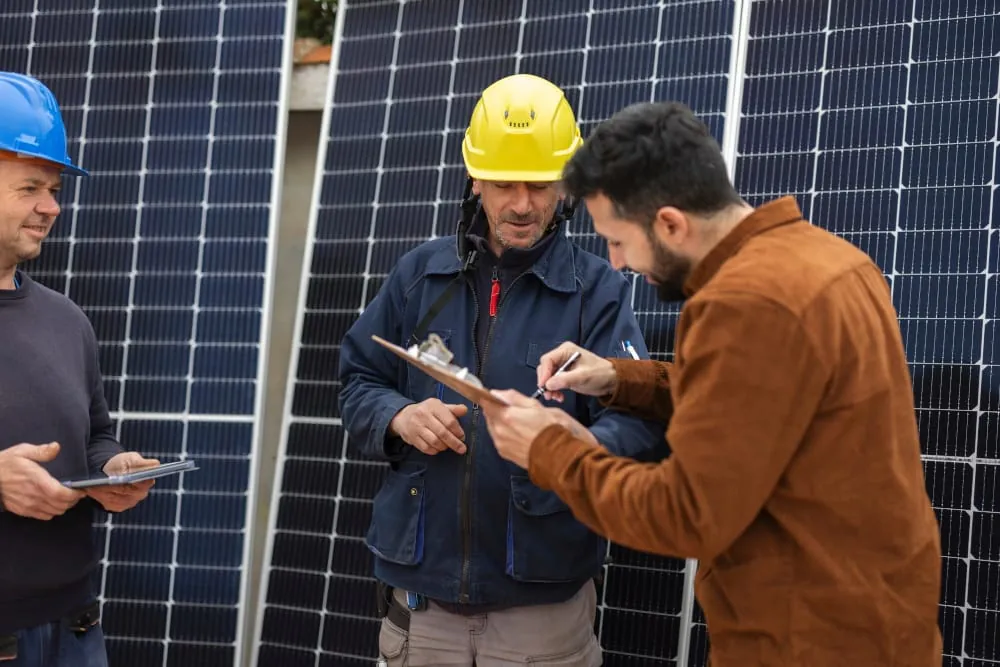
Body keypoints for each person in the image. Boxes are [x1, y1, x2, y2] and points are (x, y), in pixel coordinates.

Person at [481, 101, 943, 667]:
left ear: (671, 222)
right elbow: (762, 403)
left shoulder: (744, 304)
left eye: (620, 240)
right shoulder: (832, 261)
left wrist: (548, 449)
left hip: (802, 643)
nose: (618, 263)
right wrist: (619, 378)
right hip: (884, 626)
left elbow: (686, 513)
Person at [338, 74, 667, 667]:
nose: (521, 203)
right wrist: (399, 417)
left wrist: (579, 443)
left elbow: (641, 423)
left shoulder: (597, 292)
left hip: (540, 616)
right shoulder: (418, 277)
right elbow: (359, 380)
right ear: (473, 180)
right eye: (501, 183)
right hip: (422, 608)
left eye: (539, 184)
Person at [0, 71, 160, 667]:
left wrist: (111, 470)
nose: (52, 206)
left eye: (55, 187)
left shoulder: (67, 320)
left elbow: (93, 435)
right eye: (30, 187)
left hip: (75, 629)